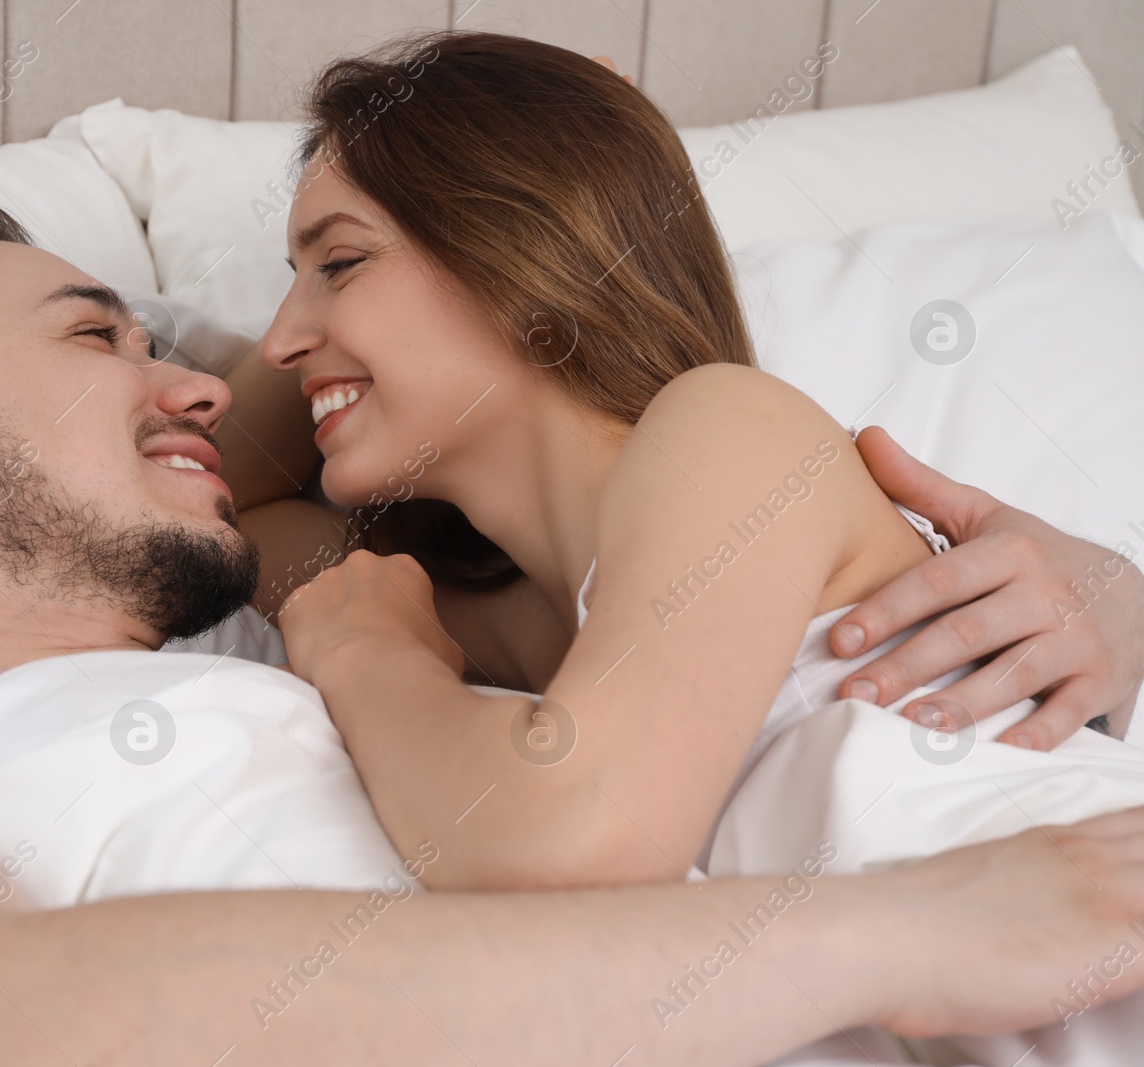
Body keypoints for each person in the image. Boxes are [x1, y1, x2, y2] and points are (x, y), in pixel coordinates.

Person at [0, 197, 1144, 1067]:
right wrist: (920, 932)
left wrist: (1113, 600)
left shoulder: (388, 635)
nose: (192, 380)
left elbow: (398, 408)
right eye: (93, 334)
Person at [255, 32, 1144, 898]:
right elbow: (226, 504)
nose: (280, 341)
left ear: (520, 247)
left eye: (339, 261)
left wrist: (365, 655)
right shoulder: (520, 620)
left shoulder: (727, 428)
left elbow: (573, 843)